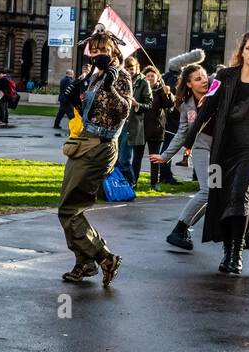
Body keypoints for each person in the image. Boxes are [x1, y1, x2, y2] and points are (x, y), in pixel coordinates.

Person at [152, 28, 249, 275]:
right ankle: (225, 247)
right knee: (219, 196)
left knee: (240, 195)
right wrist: (189, 141)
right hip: (223, 150)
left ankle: (235, 253)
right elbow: (207, 111)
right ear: (242, 50)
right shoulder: (225, 77)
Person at [57, 27, 129, 287]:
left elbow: (124, 110)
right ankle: (84, 262)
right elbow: (89, 111)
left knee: (69, 209)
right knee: (68, 205)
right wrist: (72, 100)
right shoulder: (94, 77)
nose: (97, 54)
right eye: (94, 50)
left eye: (103, 51)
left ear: (113, 52)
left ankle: (103, 257)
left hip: (100, 146)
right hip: (83, 142)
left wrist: (110, 87)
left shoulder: (119, 76)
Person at [157, 62, 212, 251]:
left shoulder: (216, 92)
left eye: (204, 76)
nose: (204, 80)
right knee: (207, 190)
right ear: (189, 84)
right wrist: (165, 156)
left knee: (215, 194)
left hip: (220, 151)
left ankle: (182, 230)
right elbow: (182, 133)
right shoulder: (186, 105)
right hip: (201, 150)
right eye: (197, 79)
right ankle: (179, 228)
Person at [115, 56, 150, 187]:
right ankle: (120, 183)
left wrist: (137, 104)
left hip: (132, 124)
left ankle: (130, 183)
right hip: (118, 122)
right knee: (116, 159)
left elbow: (148, 105)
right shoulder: (121, 80)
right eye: (127, 68)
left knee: (124, 160)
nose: (129, 71)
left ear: (137, 67)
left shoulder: (143, 82)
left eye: (132, 68)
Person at [143, 66, 173, 189]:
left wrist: (168, 93)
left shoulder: (161, 90)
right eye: (148, 76)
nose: (150, 78)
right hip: (141, 128)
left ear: (157, 77)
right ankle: (132, 182)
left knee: (154, 157)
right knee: (136, 157)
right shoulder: (140, 88)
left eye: (152, 76)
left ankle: (154, 183)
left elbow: (169, 105)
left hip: (156, 128)